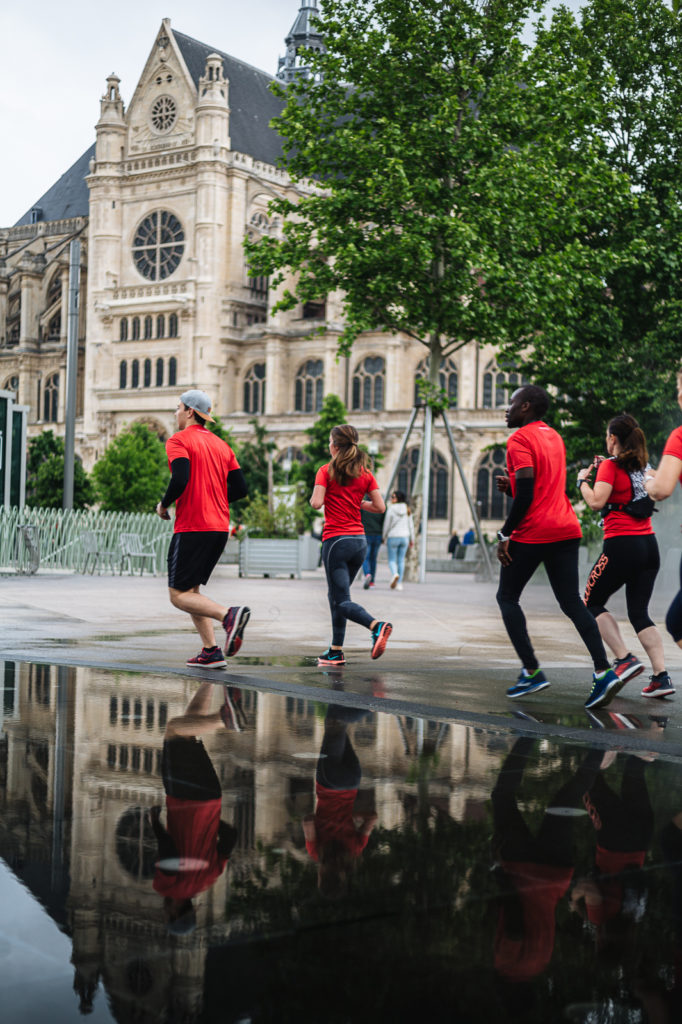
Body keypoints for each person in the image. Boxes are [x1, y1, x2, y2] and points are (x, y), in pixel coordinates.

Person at [495, 384, 620, 709]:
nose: (507, 409)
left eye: (512, 403)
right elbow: (542, 487)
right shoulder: (554, 436)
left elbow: (527, 495)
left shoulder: (519, 439)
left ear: (526, 406)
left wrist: (504, 534)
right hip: (566, 527)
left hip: (535, 531)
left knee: (507, 597)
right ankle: (604, 671)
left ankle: (531, 671)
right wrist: (513, 488)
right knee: (571, 602)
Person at [577, 413, 673, 698]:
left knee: (590, 603)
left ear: (613, 438)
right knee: (639, 613)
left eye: (607, 436)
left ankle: (624, 658)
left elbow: (596, 502)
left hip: (621, 546)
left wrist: (582, 482)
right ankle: (661, 677)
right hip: (649, 547)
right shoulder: (646, 467)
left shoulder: (610, 465)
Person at [156, 390, 250, 667]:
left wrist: (163, 504)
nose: (175, 413)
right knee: (191, 590)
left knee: (178, 595)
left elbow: (180, 477)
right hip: (219, 527)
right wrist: (214, 498)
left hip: (193, 526)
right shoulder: (222, 446)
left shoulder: (178, 440)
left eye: (178, 408)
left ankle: (228, 616)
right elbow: (240, 489)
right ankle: (211, 651)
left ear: (189, 412)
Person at [150, 682, 241, 935]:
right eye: (167, 916)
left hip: (211, 798)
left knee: (187, 733)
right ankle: (224, 719)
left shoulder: (208, 880)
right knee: (174, 730)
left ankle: (209, 679)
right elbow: (168, 851)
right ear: (175, 912)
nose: (163, 912)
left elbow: (231, 836)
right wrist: (155, 823)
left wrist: (209, 822)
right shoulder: (167, 887)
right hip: (183, 798)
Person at [310, 423, 392, 666]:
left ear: (335, 446)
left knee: (340, 599)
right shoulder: (365, 473)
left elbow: (316, 503)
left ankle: (376, 626)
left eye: (330, 441)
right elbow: (380, 507)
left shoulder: (326, 471)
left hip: (336, 541)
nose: (329, 445)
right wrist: (357, 503)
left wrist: (323, 494)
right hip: (359, 542)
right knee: (339, 596)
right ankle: (335, 650)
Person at [646, 371, 682, 672]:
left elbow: (661, 490)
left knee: (678, 621)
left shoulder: (680, 436)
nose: (678, 395)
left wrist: (648, 480)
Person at [382, 489, 414, 589]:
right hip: (405, 537)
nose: (391, 499)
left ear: (398, 498)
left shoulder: (391, 509)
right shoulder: (407, 509)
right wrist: (412, 539)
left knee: (392, 560)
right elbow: (411, 525)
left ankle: (395, 574)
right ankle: (399, 584)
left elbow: (387, 524)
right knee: (401, 560)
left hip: (393, 537)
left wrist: (384, 536)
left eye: (393, 497)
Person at [360, 500, 384, 589]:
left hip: (366, 534)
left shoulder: (363, 506)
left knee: (365, 557)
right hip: (378, 535)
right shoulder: (380, 506)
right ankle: (372, 582)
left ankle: (367, 574)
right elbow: (383, 522)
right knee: (373, 559)